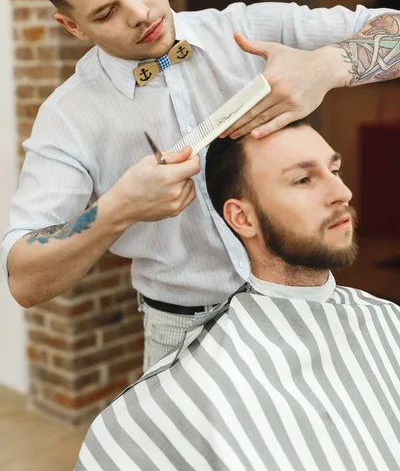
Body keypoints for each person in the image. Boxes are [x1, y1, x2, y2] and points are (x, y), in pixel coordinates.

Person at [2, 0, 400, 369]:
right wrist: (119, 208)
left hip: (308, 305)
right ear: (72, 26)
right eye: (107, 12)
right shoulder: (68, 116)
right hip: (181, 335)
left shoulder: (247, 29)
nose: (140, 13)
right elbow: (24, 280)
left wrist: (328, 67)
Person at [74, 119, 400, 471]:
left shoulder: (388, 319)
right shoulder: (197, 383)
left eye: (334, 169)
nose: (342, 192)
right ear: (242, 218)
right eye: (303, 179)